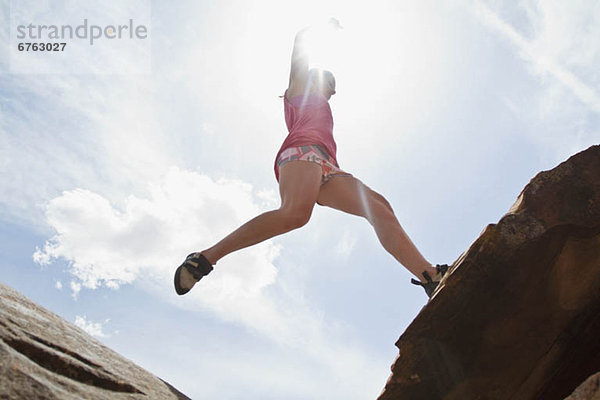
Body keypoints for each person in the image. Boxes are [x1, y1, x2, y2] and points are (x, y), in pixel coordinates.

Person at [174, 19, 448, 299]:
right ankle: (204, 259)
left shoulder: (322, 105)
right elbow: (299, 54)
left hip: (327, 165)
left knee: (378, 207)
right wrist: (315, 29)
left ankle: (430, 276)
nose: (334, 90)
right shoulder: (299, 93)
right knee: (295, 214)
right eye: (331, 83)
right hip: (300, 152)